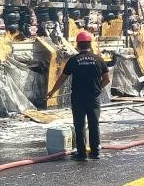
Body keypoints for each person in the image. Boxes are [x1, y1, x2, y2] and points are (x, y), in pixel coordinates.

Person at [46, 31, 111, 161]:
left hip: (78, 98)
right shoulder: (98, 59)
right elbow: (107, 79)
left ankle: (81, 154)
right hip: (93, 97)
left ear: (78, 45)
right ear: (90, 44)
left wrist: (52, 92)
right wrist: (98, 89)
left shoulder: (74, 60)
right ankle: (95, 152)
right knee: (94, 124)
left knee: (79, 125)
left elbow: (62, 79)